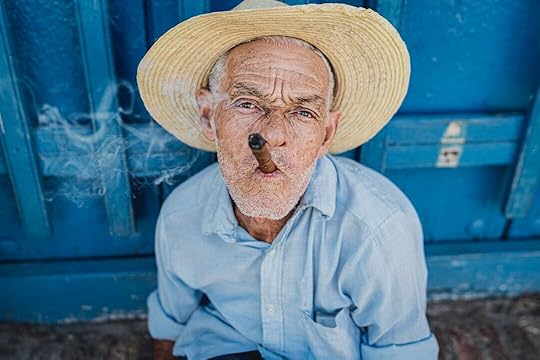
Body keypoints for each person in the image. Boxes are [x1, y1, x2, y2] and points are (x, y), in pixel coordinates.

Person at [136, 0, 439, 359]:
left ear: (326, 134)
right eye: (247, 103)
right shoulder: (182, 215)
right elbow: (169, 330)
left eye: (302, 112)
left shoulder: (379, 228)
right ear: (208, 116)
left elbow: (399, 352)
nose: (273, 133)